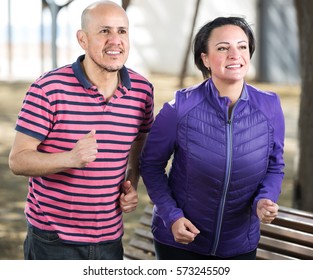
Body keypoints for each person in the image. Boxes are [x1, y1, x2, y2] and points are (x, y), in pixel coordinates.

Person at [8, 0, 154, 260]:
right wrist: (71, 158)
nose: (115, 40)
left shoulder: (142, 91)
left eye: (122, 31)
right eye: (104, 31)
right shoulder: (48, 89)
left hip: (110, 238)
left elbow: (140, 138)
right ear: (82, 39)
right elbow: (18, 160)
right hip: (52, 240)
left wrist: (131, 180)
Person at [140, 16, 285, 260]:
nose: (234, 54)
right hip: (180, 243)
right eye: (222, 48)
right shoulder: (180, 108)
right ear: (204, 58)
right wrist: (172, 216)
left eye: (242, 46)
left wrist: (265, 199)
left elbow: (275, 166)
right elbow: (151, 165)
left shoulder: (270, 106)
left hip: (240, 245)